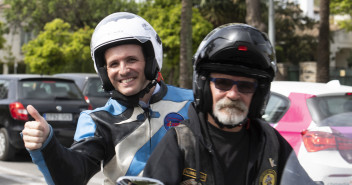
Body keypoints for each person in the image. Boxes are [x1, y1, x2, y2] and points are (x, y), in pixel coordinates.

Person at [21, 12, 193, 185]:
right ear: (104, 72)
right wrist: (47, 145)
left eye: (131, 60)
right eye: (114, 64)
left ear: (150, 60)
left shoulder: (191, 103)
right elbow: (72, 176)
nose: (123, 70)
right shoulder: (97, 120)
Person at [143, 23, 315, 185]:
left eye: (246, 86)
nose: (233, 94)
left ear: (258, 94)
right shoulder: (181, 142)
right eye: (223, 83)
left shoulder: (271, 143)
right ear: (204, 87)